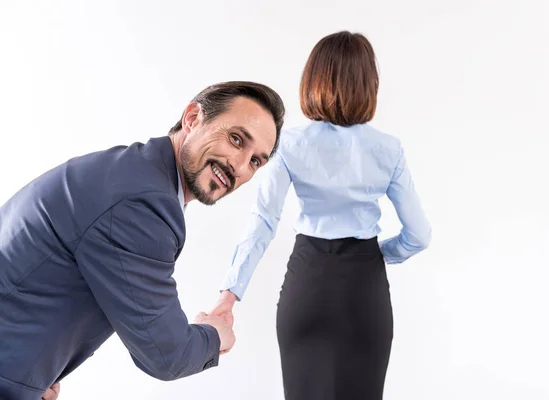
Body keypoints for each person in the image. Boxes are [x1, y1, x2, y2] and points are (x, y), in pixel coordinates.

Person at [0, 81, 285, 400]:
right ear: (192, 118)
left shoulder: (135, 172)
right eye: (236, 139)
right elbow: (166, 354)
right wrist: (216, 336)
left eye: (256, 161)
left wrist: (33, 377)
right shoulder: (143, 204)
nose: (239, 166)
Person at [209, 32, 432, 399]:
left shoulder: (289, 144)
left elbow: (263, 220)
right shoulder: (388, 150)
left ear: (313, 80)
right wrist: (378, 254)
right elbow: (419, 235)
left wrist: (230, 294)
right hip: (365, 289)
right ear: (369, 85)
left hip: (308, 284)